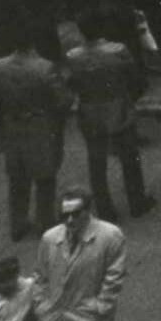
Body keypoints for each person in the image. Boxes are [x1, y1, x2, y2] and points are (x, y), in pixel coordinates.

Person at [63, 16, 151, 224]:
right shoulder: (118, 50)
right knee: (130, 158)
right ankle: (137, 201)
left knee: (96, 162)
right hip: (118, 107)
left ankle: (105, 209)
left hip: (90, 110)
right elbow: (136, 79)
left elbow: (72, 83)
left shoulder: (73, 56)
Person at [0, 38, 69, 244]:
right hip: (40, 126)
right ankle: (46, 222)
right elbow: (62, 101)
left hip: (11, 125)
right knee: (45, 177)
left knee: (17, 178)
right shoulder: (45, 67)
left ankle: (18, 224)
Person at [30, 187, 125, 321]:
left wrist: (100, 307)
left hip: (89, 316)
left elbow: (114, 277)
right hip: (55, 317)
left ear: (88, 211)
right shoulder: (50, 238)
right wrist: (42, 306)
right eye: (65, 215)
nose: (70, 220)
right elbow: (40, 276)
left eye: (75, 213)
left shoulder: (110, 236)